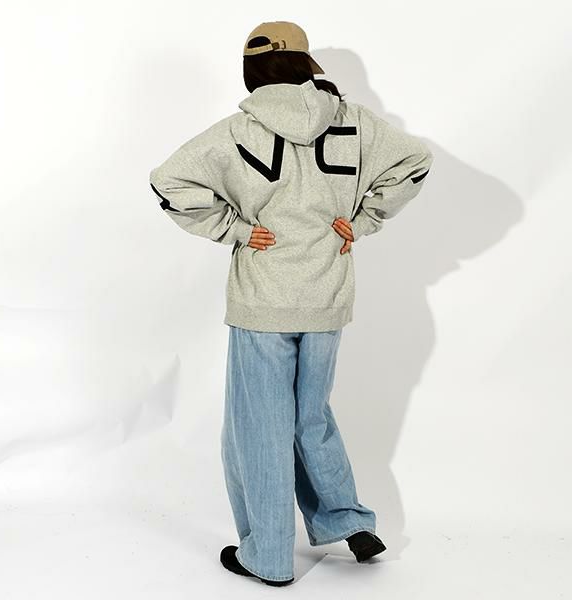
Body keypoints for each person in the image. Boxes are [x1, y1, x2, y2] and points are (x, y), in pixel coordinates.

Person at [149, 20, 433, 587]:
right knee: (311, 417)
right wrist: (361, 221)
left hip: (263, 299)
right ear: (305, 63)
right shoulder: (352, 121)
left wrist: (234, 229)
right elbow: (415, 162)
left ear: (252, 68)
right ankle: (349, 521)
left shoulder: (238, 130)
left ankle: (270, 557)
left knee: (259, 429)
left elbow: (167, 183)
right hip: (327, 296)